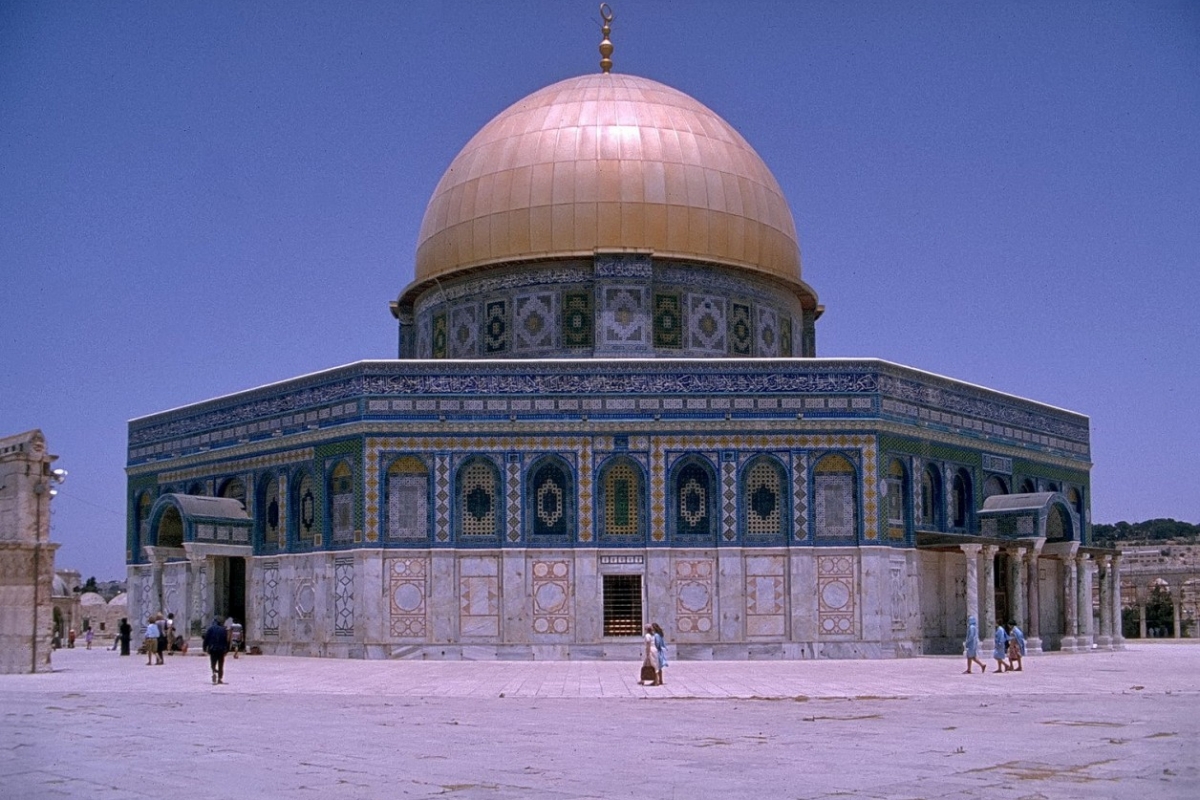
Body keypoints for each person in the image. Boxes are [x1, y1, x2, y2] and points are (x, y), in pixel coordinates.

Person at [203, 617, 229, 685]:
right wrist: (227, 649)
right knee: (221, 664)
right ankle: (220, 678)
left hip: (213, 649)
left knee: (213, 663)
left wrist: (204, 647)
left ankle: (214, 672)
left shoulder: (210, 629)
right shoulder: (223, 630)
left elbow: (206, 639)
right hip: (221, 649)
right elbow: (226, 641)